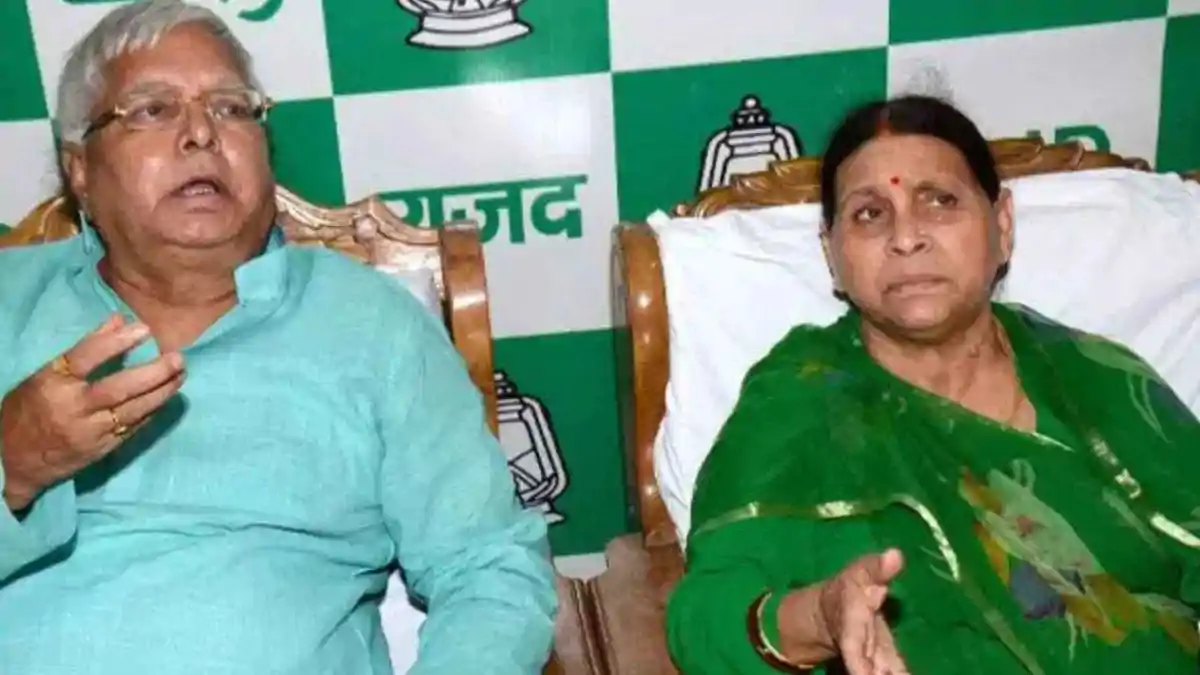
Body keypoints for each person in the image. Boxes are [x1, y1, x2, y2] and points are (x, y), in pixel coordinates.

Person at [0, 2, 557, 674]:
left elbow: (491, 570)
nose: (201, 133)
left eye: (232, 108)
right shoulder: (9, 305)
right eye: (152, 109)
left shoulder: (371, 326)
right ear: (80, 171)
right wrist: (13, 465)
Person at [666, 95, 1200, 674]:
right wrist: (821, 617)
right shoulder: (802, 399)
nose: (906, 237)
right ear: (831, 254)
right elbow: (705, 618)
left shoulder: (1095, 377)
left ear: (1002, 226)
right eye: (869, 213)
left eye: (940, 202)